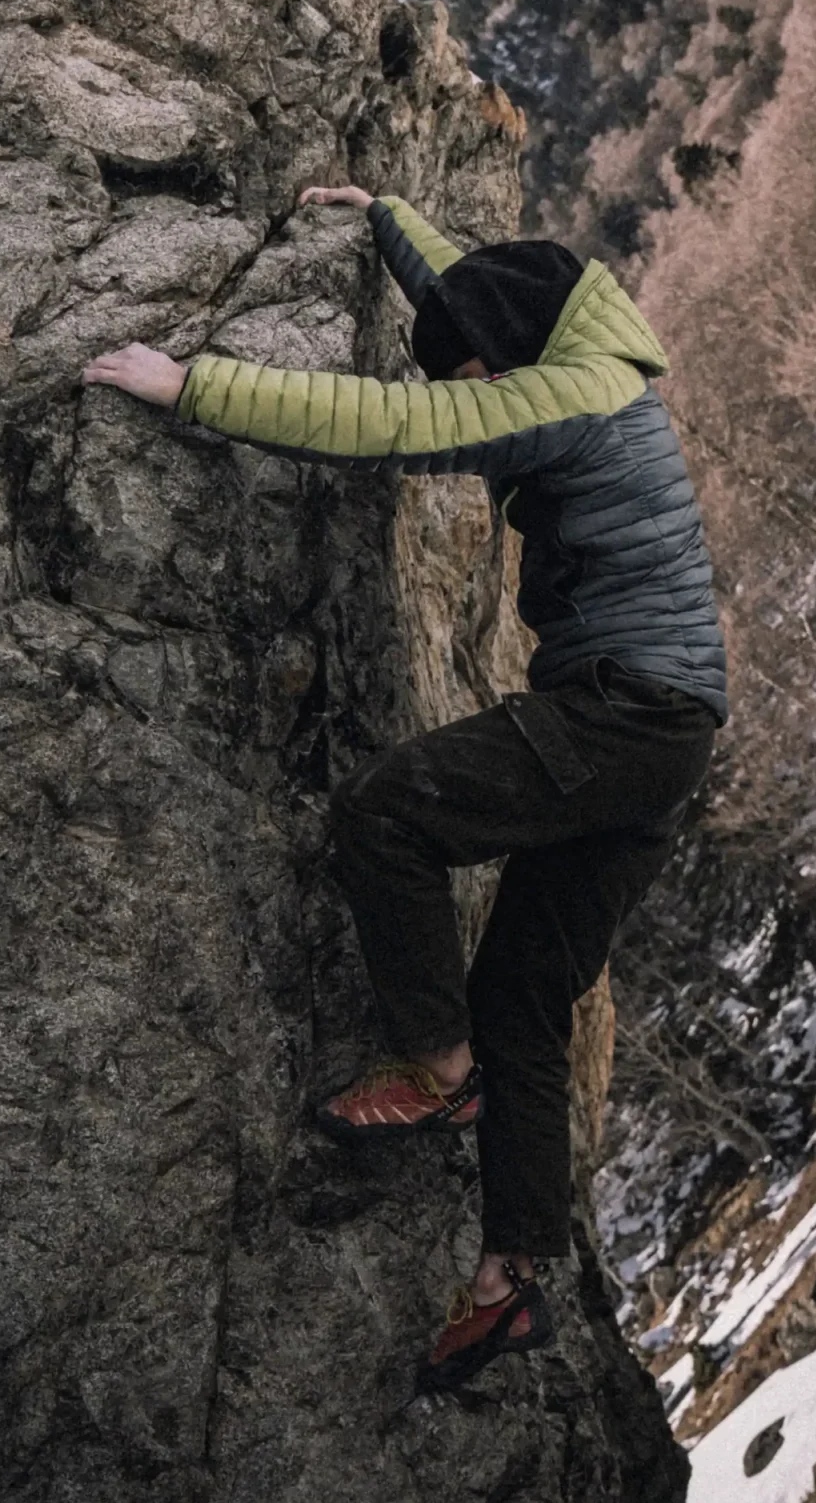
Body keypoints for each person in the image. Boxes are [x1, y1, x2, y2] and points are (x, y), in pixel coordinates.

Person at [82, 184, 727, 1391]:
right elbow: (467, 291)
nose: (476, 388)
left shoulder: (577, 395)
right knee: (528, 998)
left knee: (388, 811)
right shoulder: (579, 342)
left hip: (622, 713)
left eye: (481, 372)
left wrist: (194, 386)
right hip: (667, 730)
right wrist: (382, 213)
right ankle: (506, 1286)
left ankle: (435, 1070)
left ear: (516, 361)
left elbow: (385, 422)